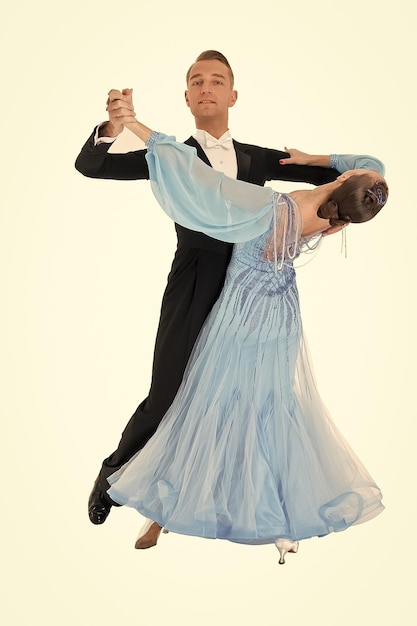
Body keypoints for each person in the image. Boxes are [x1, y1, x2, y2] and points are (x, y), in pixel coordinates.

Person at [75, 50, 355, 526]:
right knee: (167, 390)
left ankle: (223, 499)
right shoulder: (167, 156)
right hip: (196, 278)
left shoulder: (258, 157)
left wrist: (325, 177)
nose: (207, 87)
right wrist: (112, 129)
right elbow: (91, 166)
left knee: (245, 399)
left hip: (255, 286)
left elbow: (346, 180)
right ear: (186, 98)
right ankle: (112, 474)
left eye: (217, 80)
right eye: (197, 81)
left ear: (232, 94)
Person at [104, 123, 387, 564]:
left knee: (205, 406)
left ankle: (163, 513)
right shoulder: (339, 216)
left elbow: (201, 179)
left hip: (239, 316)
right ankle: (282, 520)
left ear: (343, 183)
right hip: (281, 318)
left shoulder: (271, 205)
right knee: (272, 408)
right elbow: (372, 169)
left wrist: (142, 129)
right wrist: (317, 163)